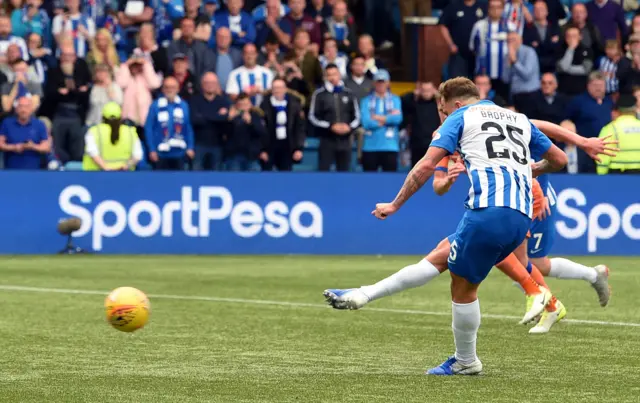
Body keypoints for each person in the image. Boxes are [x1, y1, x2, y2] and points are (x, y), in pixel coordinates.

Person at [324, 77, 569, 375]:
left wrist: (394, 204)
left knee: (463, 288)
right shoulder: (517, 118)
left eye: (442, 110)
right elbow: (559, 158)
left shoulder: (461, 117)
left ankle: (466, 360)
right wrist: (534, 168)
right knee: (443, 252)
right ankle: (363, 294)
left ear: (454, 104)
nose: (442, 116)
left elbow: (426, 165)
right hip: (520, 217)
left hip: (487, 211)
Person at [309, 63, 360, 172]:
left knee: (344, 172)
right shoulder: (319, 94)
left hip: (345, 140)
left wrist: (349, 127)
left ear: (339, 75)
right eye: (329, 75)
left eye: (335, 74)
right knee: (324, 172)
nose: (332, 77)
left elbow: (357, 117)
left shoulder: (349, 93)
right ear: (325, 77)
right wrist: (330, 126)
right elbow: (313, 117)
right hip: (327, 140)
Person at [144, 76, 195, 170]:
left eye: (172, 87)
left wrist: (190, 147)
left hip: (180, 152)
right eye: (167, 87)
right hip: (160, 153)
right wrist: (152, 149)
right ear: (163, 89)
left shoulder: (183, 105)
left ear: (178, 89)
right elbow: (149, 128)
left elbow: (188, 127)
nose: (169, 90)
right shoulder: (155, 105)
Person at [359, 69, 402, 172]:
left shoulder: (395, 99)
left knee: (390, 182)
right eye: (378, 82)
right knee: (369, 182)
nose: (381, 85)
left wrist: (378, 118)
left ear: (388, 83)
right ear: (374, 83)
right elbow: (366, 122)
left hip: (390, 147)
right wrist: (387, 119)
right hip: (370, 147)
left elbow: (398, 119)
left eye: (383, 82)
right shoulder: (366, 101)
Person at [259, 77, 305, 171]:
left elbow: (299, 128)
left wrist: (298, 148)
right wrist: (262, 150)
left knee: (286, 175)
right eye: (275, 88)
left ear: (285, 89)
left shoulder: (294, 105)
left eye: (280, 88)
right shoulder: (264, 105)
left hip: (287, 146)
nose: (277, 90)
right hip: (270, 146)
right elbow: (260, 130)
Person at [82, 102, 143, 171]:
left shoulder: (94, 131)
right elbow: (137, 155)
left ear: (103, 117)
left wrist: (106, 168)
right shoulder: (130, 131)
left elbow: (92, 152)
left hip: (97, 175)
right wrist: (125, 166)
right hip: (124, 175)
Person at [189, 72, 231, 171]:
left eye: (212, 82)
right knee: (196, 175)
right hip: (199, 144)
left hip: (218, 145)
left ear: (217, 84)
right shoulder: (195, 100)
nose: (210, 85)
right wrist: (217, 116)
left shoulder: (224, 101)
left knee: (216, 176)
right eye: (207, 82)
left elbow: (226, 120)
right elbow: (195, 120)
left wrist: (204, 116)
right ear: (202, 84)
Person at [0, 96, 50, 169]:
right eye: (20, 106)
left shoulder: (39, 124)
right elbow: (1, 143)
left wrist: (33, 146)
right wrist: (14, 147)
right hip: (10, 171)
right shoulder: (7, 123)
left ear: (31, 109)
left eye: (26, 107)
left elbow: (46, 147)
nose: (23, 110)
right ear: (16, 109)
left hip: (34, 172)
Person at [597, 94, 640, 174]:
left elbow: (603, 155)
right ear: (635, 110)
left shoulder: (610, 128)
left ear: (618, 111)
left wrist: (601, 174)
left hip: (619, 174)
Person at [400, 81, 440, 167]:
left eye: (428, 90)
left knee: (434, 170)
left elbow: (448, 101)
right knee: (416, 171)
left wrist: (438, 94)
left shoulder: (437, 104)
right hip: (417, 144)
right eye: (424, 90)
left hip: (434, 144)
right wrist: (413, 93)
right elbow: (403, 100)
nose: (426, 93)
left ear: (433, 90)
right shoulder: (415, 103)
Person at [224, 92, 266, 171]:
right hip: (234, 155)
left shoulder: (256, 116)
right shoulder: (231, 117)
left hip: (252, 155)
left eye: (246, 104)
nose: (244, 107)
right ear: (237, 105)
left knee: (254, 180)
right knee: (235, 180)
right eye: (241, 105)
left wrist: (250, 122)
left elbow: (261, 133)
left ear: (250, 104)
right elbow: (224, 134)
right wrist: (229, 120)